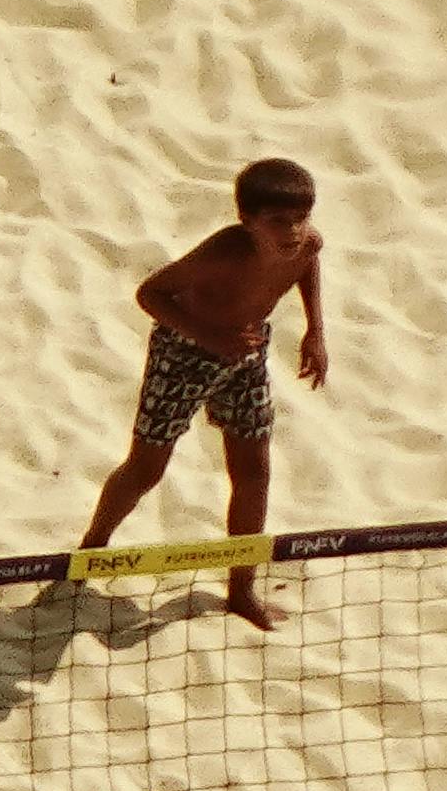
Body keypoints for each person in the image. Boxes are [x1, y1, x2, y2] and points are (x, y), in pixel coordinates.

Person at [82, 157, 329, 631]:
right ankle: (91, 550)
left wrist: (315, 331)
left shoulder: (307, 243)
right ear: (248, 222)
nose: (294, 230)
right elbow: (150, 294)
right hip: (184, 353)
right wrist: (208, 338)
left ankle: (241, 591)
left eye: (302, 217)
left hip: (248, 352)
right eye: (279, 221)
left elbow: (307, 264)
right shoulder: (223, 254)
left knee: (255, 472)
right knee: (146, 468)